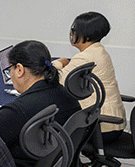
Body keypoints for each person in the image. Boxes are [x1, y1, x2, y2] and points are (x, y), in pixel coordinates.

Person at [0, 40, 80, 167]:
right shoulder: (67, 96)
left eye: (10, 70)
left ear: (20, 69)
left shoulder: (18, 111)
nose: (11, 74)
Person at [53, 12, 126, 142]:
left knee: (55, 128)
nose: (71, 34)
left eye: (75, 30)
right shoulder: (99, 51)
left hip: (101, 128)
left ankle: (67, 162)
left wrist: (59, 63)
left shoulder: (85, 57)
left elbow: (56, 79)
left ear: (85, 35)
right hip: (112, 122)